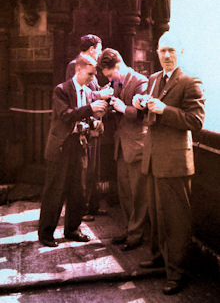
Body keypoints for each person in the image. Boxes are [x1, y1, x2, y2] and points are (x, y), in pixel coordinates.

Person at [132, 31, 205, 295]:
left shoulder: (190, 81)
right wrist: (139, 103)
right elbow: (147, 112)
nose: (166, 56)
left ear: (181, 53)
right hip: (153, 159)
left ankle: (178, 272)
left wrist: (166, 110)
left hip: (175, 162)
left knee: (176, 219)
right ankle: (160, 258)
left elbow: (196, 122)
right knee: (157, 215)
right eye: (163, 51)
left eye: (172, 50)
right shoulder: (153, 79)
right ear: (157, 53)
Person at [38, 55, 108, 247]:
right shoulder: (61, 90)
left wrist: (93, 122)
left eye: (95, 74)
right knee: (55, 191)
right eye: (90, 74)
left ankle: (72, 230)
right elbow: (66, 115)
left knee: (79, 189)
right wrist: (90, 109)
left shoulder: (86, 91)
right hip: (61, 147)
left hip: (79, 145)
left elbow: (81, 119)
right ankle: (45, 234)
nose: (93, 78)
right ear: (78, 70)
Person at [98, 48, 149, 251]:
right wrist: (108, 102)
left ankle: (136, 235)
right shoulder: (117, 81)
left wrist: (122, 108)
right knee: (125, 192)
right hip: (121, 146)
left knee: (138, 193)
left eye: (110, 75)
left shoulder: (140, 81)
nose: (110, 79)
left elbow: (144, 114)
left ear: (118, 65)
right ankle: (129, 229)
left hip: (137, 145)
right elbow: (114, 101)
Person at [66, 34, 113, 221]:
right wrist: (100, 94)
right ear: (93, 48)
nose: (100, 53)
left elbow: (90, 90)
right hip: (84, 127)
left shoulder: (91, 67)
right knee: (83, 172)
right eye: (100, 49)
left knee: (93, 170)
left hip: (94, 126)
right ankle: (82, 210)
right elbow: (77, 94)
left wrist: (103, 91)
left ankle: (92, 205)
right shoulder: (74, 65)